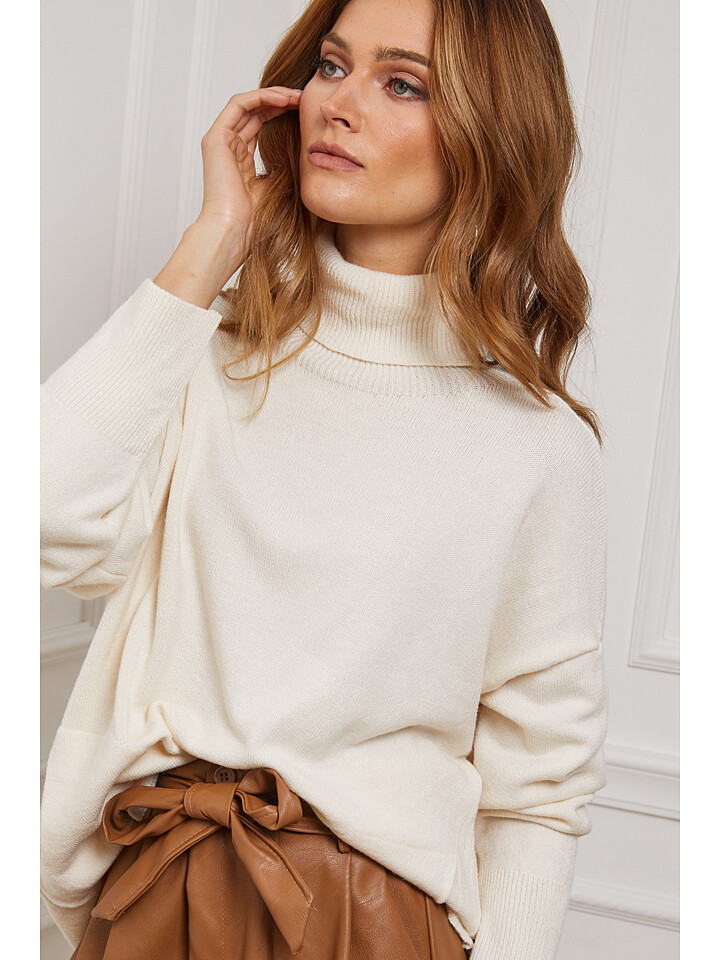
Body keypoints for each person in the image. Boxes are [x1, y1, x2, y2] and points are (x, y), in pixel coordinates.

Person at [39, 0, 609, 958]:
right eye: (332, 66)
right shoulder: (203, 357)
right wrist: (214, 240)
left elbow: (538, 794)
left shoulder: (535, 444)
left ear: (490, 133)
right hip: (156, 898)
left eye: (402, 83)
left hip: (373, 927)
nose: (338, 104)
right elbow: (40, 521)